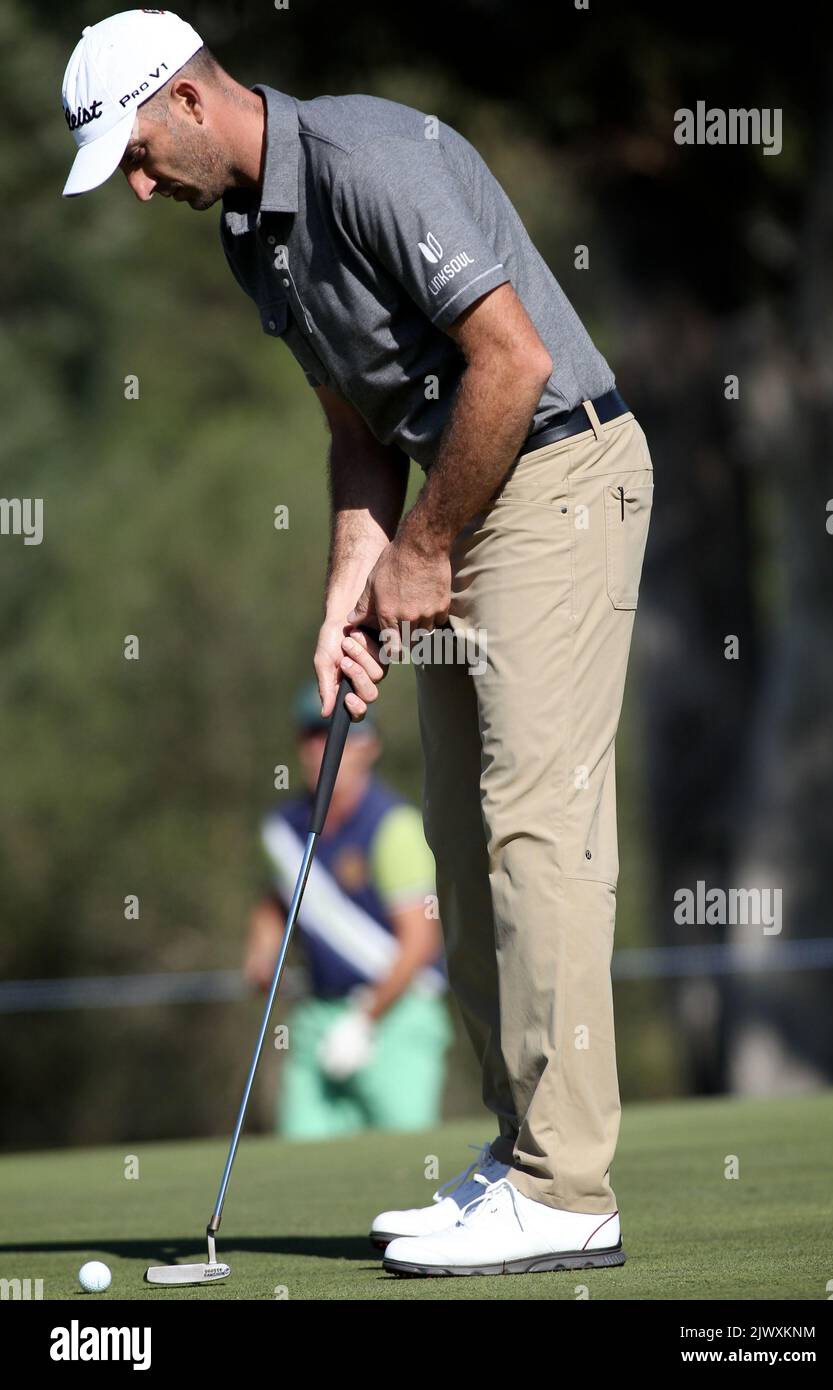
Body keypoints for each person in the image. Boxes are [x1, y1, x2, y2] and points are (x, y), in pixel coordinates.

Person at [61, 10, 655, 1277]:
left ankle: (569, 1186)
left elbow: (511, 361)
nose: (138, 182)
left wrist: (422, 550)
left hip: (554, 472)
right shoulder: (245, 240)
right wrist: (347, 591)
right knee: (455, 831)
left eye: (136, 152)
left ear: (187, 98)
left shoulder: (369, 162)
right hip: (457, 493)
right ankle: (517, 1151)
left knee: (533, 822)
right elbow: (355, 436)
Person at [245, 682, 451, 1139]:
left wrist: (362, 1020)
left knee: (405, 1162)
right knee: (301, 1162)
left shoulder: (392, 826)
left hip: (399, 1015)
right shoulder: (284, 829)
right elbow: (275, 902)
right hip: (317, 1016)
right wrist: (262, 951)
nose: (325, 746)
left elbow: (420, 942)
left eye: (339, 733)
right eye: (313, 734)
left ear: (369, 746)